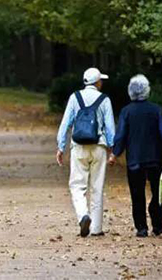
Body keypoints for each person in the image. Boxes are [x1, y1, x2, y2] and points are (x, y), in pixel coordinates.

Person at [108, 74, 162, 237]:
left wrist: (114, 154)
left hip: (134, 160)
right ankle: (158, 225)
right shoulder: (155, 110)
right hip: (154, 158)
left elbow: (121, 135)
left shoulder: (126, 111)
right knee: (157, 191)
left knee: (137, 193)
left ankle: (141, 228)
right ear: (147, 90)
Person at [56, 68, 115, 237]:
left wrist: (61, 147)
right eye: (100, 80)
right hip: (99, 147)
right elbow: (110, 127)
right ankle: (96, 228)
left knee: (77, 185)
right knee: (97, 187)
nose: (101, 82)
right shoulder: (104, 100)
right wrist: (113, 149)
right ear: (97, 82)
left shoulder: (75, 97)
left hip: (79, 147)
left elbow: (65, 123)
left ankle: (83, 215)